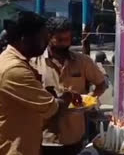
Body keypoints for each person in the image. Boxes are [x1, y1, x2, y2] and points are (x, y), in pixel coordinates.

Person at [32, 16, 107, 155]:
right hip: (44, 136)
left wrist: (90, 99)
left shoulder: (83, 61)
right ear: (48, 37)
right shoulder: (34, 63)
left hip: (74, 135)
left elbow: (101, 84)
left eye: (68, 39)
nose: (64, 44)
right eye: (60, 40)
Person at [0, 12, 71, 155]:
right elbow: (52, 109)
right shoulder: (15, 69)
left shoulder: (13, 60)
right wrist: (67, 99)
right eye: (43, 37)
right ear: (24, 39)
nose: (46, 43)